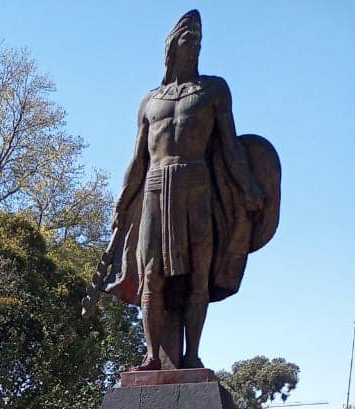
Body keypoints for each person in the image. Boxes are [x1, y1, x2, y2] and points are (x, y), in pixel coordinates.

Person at [105, 10, 274, 371]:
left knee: (200, 273)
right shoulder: (150, 100)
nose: (195, 44)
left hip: (196, 184)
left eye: (199, 40)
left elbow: (229, 144)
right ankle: (152, 356)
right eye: (188, 38)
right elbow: (138, 159)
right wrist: (122, 202)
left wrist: (248, 187)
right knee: (150, 273)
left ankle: (192, 354)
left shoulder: (214, 89)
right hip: (154, 188)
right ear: (172, 45)